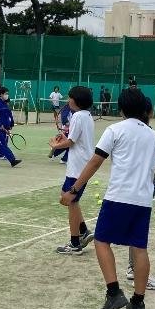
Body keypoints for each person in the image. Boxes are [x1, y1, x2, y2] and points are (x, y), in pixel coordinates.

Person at [63, 89, 155, 309]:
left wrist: (73, 190)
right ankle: (138, 303)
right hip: (142, 201)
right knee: (139, 248)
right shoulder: (152, 135)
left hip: (119, 197)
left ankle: (113, 292)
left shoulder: (115, 130)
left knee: (101, 240)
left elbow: (95, 161)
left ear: (121, 108)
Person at [126, 96, 155, 291]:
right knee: (137, 238)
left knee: (126, 236)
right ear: (149, 113)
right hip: (139, 195)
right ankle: (137, 273)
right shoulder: (152, 136)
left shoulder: (121, 131)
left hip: (123, 193)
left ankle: (132, 269)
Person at [52, 86, 96, 254]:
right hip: (81, 165)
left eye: (70, 98)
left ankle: (75, 243)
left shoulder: (78, 116)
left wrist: (56, 145)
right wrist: (63, 139)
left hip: (78, 167)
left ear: (76, 101)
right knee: (70, 200)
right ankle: (84, 230)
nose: (68, 100)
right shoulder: (87, 116)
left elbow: (70, 142)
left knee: (69, 200)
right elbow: (73, 139)